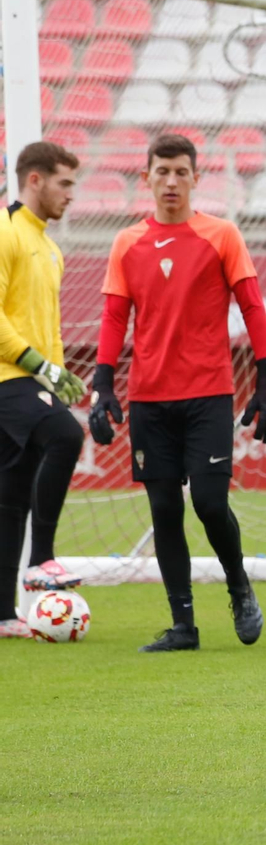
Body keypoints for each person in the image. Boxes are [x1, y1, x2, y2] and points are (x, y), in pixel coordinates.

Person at [89, 133, 266, 653]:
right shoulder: (126, 243)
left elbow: (253, 306)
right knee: (163, 510)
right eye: (163, 172)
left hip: (208, 394)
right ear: (147, 179)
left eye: (181, 172)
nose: (172, 181)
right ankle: (183, 626)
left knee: (207, 500)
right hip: (150, 398)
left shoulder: (221, 235)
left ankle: (239, 587)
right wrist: (103, 382)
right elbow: (114, 316)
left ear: (197, 178)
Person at [0, 142, 88, 638]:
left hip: (27, 381)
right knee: (65, 438)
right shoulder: (4, 232)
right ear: (35, 180)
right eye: (64, 183)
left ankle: (2, 615)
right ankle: (42, 560)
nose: (71, 195)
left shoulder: (50, 248)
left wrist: (56, 375)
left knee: (10, 498)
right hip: (6, 377)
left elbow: (49, 328)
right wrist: (40, 367)